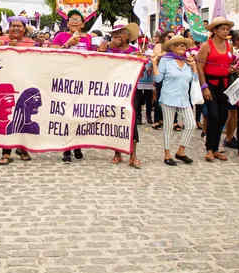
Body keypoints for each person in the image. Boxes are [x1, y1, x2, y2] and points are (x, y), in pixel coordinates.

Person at [0, 16, 37, 165]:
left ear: (24, 29)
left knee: (23, 117)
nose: (16, 28)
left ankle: (22, 147)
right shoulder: (1, 40)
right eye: (13, 26)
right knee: (7, 118)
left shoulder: (31, 43)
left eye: (19, 26)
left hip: (25, 84)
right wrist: (2, 46)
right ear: (9, 28)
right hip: (6, 85)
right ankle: (6, 152)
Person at [100, 21, 141, 168]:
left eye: (120, 34)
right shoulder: (108, 50)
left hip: (131, 92)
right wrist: (102, 51)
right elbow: (98, 67)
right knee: (115, 121)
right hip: (112, 91)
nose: (116, 37)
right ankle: (117, 153)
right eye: (114, 34)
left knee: (132, 122)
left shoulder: (135, 51)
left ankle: (133, 155)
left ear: (127, 36)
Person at [52, 9, 92, 162]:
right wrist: (68, 44)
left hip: (82, 82)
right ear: (67, 23)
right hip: (65, 81)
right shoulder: (60, 36)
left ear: (83, 23)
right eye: (71, 19)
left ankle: (77, 145)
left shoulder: (88, 38)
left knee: (79, 114)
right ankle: (66, 148)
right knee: (66, 115)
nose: (74, 21)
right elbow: (53, 55)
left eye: (77, 19)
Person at [153, 35, 197, 166]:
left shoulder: (187, 61)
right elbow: (158, 79)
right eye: (178, 44)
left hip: (184, 99)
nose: (181, 46)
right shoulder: (166, 60)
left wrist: (194, 66)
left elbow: (194, 79)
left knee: (191, 124)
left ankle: (181, 151)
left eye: (183, 44)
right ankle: (167, 154)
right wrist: (155, 63)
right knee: (168, 127)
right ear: (171, 48)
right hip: (168, 98)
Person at [196, 16, 234, 162]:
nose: (225, 32)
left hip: (224, 85)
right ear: (215, 30)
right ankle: (209, 149)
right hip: (210, 84)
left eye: (227, 29)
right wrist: (204, 86)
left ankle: (216, 148)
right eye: (223, 29)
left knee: (223, 116)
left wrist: (232, 69)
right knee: (213, 116)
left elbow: (229, 62)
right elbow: (200, 66)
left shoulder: (229, 45)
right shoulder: (207, 45)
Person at [222, 29, 239, 148]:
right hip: (232, 82)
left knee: (235, 113)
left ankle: (231, 135)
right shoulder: (230, 48)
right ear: (237, 39)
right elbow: (229, 65)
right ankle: (229, 137)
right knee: (232, 112)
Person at [151, 31, 175, 130]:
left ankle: (173, 121)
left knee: (173, 97)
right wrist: (167, 52)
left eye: (173, 37)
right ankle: (157, 119)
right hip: (161, 73)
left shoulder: (175, 47)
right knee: (160, 96)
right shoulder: (159, 45)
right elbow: (156, 56)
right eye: (169, 37)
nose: (171, 39)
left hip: (172, 75)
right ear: (164, 37)